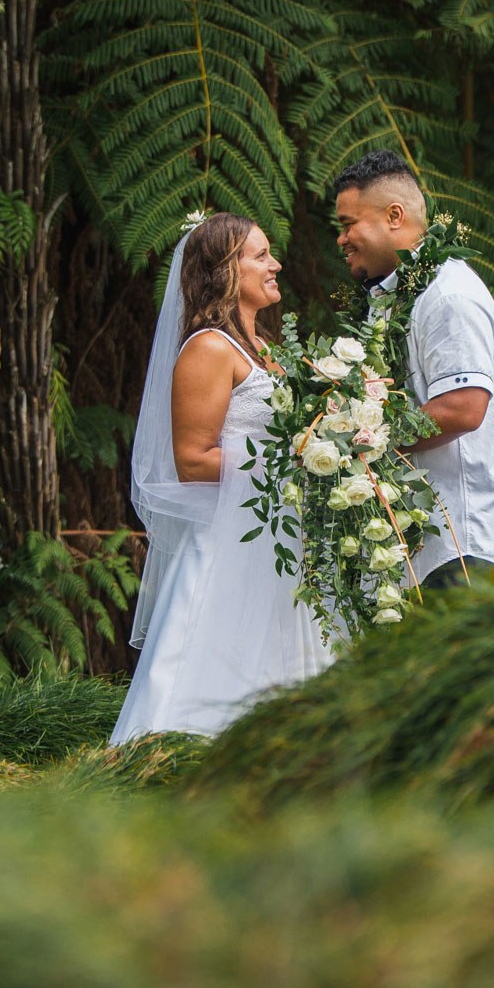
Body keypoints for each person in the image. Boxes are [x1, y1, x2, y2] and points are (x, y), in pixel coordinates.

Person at [109, 212, 331, 746]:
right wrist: (291, 457)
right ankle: (173, 764)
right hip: (231, 547)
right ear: (224, 272)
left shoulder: (269, 353)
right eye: (260, 256)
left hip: (279, 542)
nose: (275, 264)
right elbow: (192, 460)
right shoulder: (209, 348)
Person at [331, 151, 494, 589]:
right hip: (428, 543)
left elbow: (463, 408)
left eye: (348, 224)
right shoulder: (396, 298)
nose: (341, 239)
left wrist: (355, 438)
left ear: (394, 216)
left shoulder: (447, 295)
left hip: (463, 539)